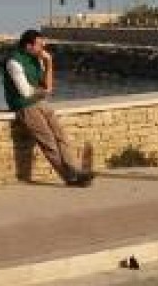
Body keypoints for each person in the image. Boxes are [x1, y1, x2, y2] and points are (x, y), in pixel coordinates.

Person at [5, 30, 93, 187]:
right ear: (29, 46)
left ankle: (75, 171)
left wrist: (49, 62)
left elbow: (47, 86)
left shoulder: (37, 58)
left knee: (61, 135)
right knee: (48, 141)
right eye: (39, 44)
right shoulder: (14, 62)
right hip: (23, 105)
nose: (43, 47)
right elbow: (25, 92)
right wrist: (43, 91)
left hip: (39, 101)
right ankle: (70, 178)